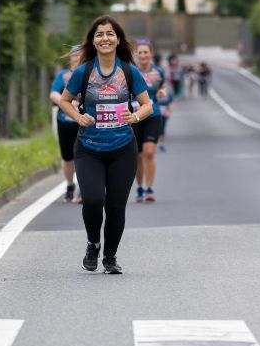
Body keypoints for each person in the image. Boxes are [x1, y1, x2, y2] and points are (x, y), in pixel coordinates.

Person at [59, 15, 152, 274]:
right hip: (89, 148)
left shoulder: (129, 72)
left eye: (110, 34)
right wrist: (79, 117)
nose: (105, 39)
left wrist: (135, 116)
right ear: (93, 41)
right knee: (92, 199)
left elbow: (147, 105)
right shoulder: (84, 71)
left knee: (115, 206)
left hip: (123, 148)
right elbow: (65, 101)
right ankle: (93, 244)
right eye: (99, 35)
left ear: (118, 39)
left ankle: (110, 257)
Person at [132, 40, 166, 202]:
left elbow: (163, 87)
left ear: (151, 54)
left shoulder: (158, 72)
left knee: (149, 152)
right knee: (137, 156)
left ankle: (150, 188)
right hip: (134, 117)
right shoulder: (130, 71)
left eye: (146, 52)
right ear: (136, 55)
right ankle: (139, 187)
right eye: (140, 52)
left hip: (153, 116)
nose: (143, 55)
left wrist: (161, 93)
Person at [49, 47, 81, 202]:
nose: (77, 57)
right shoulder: (63, 75)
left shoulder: (89, 73)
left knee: (84, 155)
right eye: (74, 54)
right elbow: (53, 93)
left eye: (80, 54)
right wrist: (66, 102)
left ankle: (83, 187)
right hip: (65, 121)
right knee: (67, 157)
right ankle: (70, 185)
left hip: (84, 122)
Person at [157, 82, 174, 152]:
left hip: (164, 112)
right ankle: (155, 143)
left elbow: (170, 103)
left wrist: (169, 111)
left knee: (162, 129)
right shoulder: (153, 92)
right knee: (155, 128)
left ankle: (161, 144)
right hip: (155, 112)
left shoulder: (168, 92)